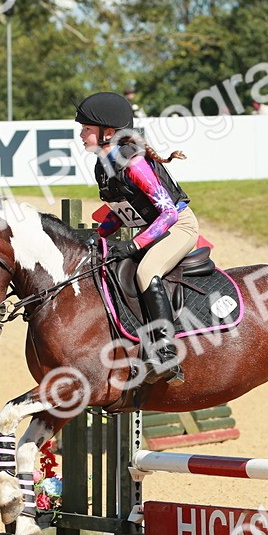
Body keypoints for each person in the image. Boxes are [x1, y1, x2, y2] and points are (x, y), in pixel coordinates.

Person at [76, 91, 197, 385]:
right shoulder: (103, 166)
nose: (81, 134)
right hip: (152, 231)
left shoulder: (134, 164)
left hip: (178, 227)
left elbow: (168, 213)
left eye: (87, 129)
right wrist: (97, 236)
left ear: (109, 133)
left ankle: (166, 352)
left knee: (146, 270)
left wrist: (133, 245)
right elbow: (123, 212)